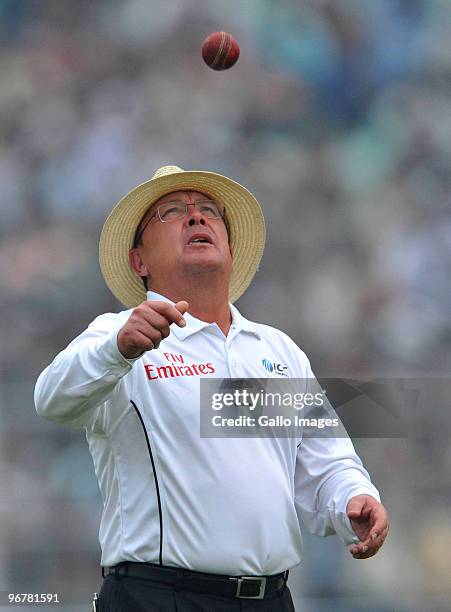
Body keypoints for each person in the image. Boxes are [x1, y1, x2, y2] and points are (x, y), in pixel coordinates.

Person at [34, 165, 389, 611]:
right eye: (171, 212)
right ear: (139, 261)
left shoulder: (275, 348)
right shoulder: (117, 336)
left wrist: (356, 498)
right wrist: (117, 349)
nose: (196, 218)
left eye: (208, 210)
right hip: (159, 598)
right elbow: (51, 399)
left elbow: (325, 463)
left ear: (230, 248)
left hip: (272, 599)